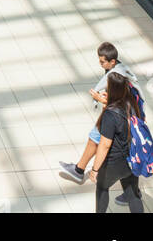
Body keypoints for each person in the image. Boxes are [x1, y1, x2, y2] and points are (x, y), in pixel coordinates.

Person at [59, 41, 137, 185]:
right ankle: (79, 169)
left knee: (97, 138)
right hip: (117, 114)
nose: (100, 64)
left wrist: (100, 99)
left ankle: (79, 171)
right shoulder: (118, 69)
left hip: (116, 116)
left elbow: (118, 103)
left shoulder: (116, 76)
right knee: (95, 137)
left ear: (112, 61)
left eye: (102, 62)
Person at [89, 74, 144, 214]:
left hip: (113, 162)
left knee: (102, 188)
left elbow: (105, 144)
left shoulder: (110, 114)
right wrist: (105, 104)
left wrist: (95, 170)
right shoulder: (132, 104)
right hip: (132, 158)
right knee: (133, 195)